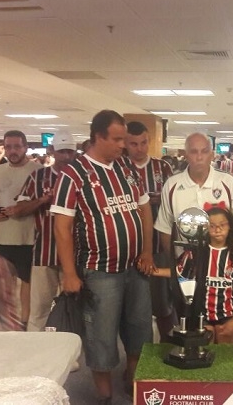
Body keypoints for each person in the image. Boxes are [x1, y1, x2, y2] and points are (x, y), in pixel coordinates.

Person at [51, 110, 155, 403]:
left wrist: (147, 250)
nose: (123, 145)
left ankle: (132, 376)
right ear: (98, 137)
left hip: (135, 268)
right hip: (99, 271)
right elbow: (62, 227)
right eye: (118, 139)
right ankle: (104, 392)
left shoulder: (125, 168)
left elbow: (144, 209)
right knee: (101, 333)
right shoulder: (74, 173)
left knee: (139, 327)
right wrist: (69, 273)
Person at [154, 206, 233, 344]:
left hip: (227, 313)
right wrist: (154, 271)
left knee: (227, 350)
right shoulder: (195, 252)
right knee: (205, 343)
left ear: (230, 226)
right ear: (204, 228)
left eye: (222, 225)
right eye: (212, 226)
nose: (218, 229)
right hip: (201, 314)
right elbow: (179, 272)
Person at [14, 131, 77, 331]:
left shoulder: (82, 178)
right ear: (52, 151)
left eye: (70, 151)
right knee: (39, 309)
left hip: (77, 254)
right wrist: (42, 200)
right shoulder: (38, 176)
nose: (66, 156)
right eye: (62, 151)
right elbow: (18, 210)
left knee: (76, 307)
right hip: (44, 252)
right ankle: (35, 350)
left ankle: (73, 352)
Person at [0, 130, 42, 328]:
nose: (13, 151)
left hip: (27, 238)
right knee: (1, 283)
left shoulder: (38, 170)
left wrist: (22, 209)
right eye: (8, 147)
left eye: (17, 146)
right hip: (0, 237)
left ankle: (24, 321)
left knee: (27, 282)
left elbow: (43, 202)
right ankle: (3, 319)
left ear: (25, 147)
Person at [124, 120, 175, 341]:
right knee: (133, 307)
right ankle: (137, 354)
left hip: (159, 245)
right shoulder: (119, 168)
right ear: (126, 144)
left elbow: (173, 201)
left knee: (162, 302)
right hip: (129, 248)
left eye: (143, 143)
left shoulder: (162, 167)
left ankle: (165, 345)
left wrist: (158, 199)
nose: (139, 148)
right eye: (134, 144)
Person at [155, 132, 233, 252]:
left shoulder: (227, 182)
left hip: (221, 263)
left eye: (204, 151)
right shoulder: (171, 185)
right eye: (194, 152)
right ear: (186, 155)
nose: (199, 157)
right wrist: (174, 264)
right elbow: (165, 228)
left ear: (211, 155)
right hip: (185, 263)